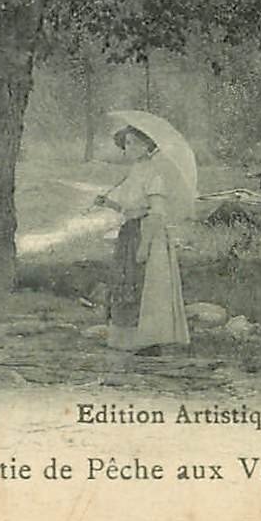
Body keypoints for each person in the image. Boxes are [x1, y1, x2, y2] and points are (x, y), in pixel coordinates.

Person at [95, 126, 191, 354]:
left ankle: (147, 340)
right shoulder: (134, 172)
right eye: (127, 143)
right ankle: (126, 338)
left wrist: (145, 245)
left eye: (134, 143)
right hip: (130, 231)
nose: (129, 148)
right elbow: (130, 208)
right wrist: (108, 203)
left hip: (147, 233)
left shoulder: (154, 174)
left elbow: (156, 213)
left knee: (143, 284)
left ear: (148, 145)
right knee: (125, 281)